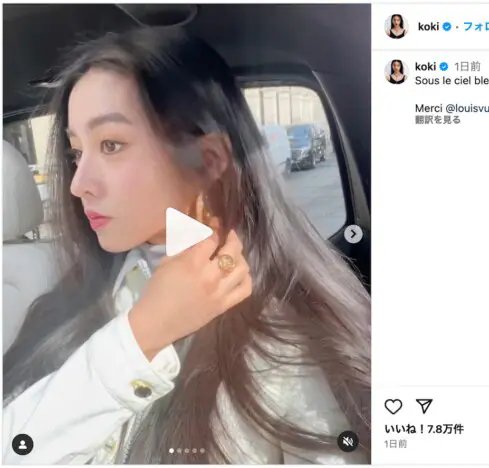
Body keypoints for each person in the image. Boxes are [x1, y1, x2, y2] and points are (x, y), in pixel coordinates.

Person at [3, 27, 371, 464]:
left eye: (111, 145)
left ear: (208, 161)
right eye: (76, 153)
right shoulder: (73, 293)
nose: (78, 184)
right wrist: (140, 335)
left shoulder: (289, 342)